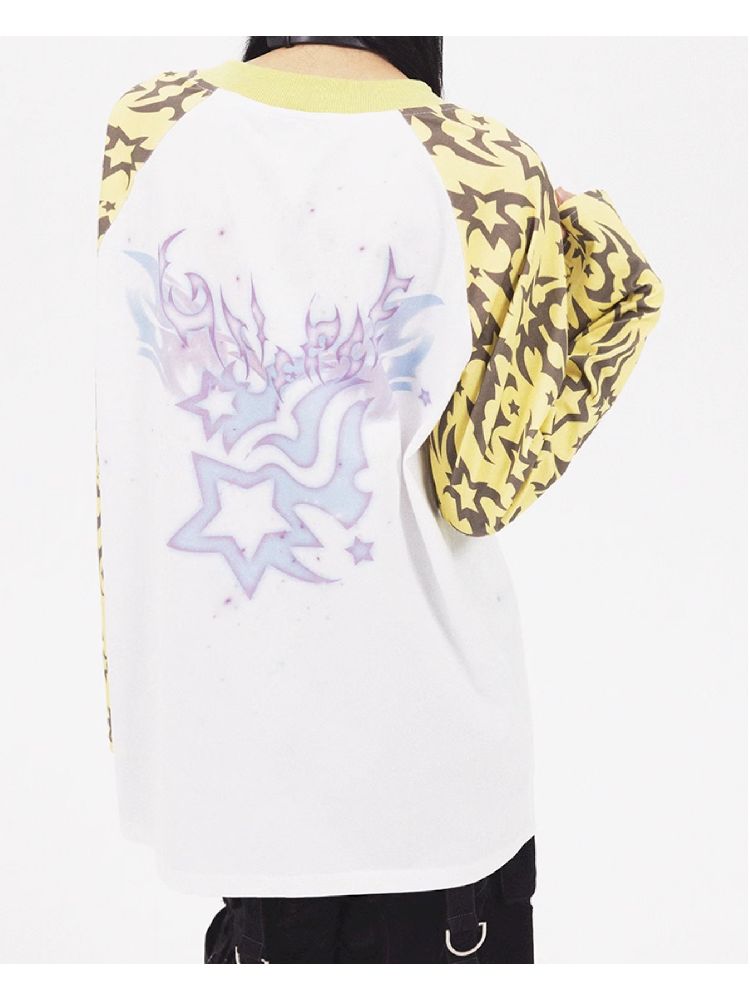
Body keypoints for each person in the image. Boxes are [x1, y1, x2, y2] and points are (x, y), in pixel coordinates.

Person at [93, 36, 665, 964]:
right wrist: (597, 263)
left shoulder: (148, 127)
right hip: (436, 804)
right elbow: (481, 491)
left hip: (231, 781)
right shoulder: (487, 165)